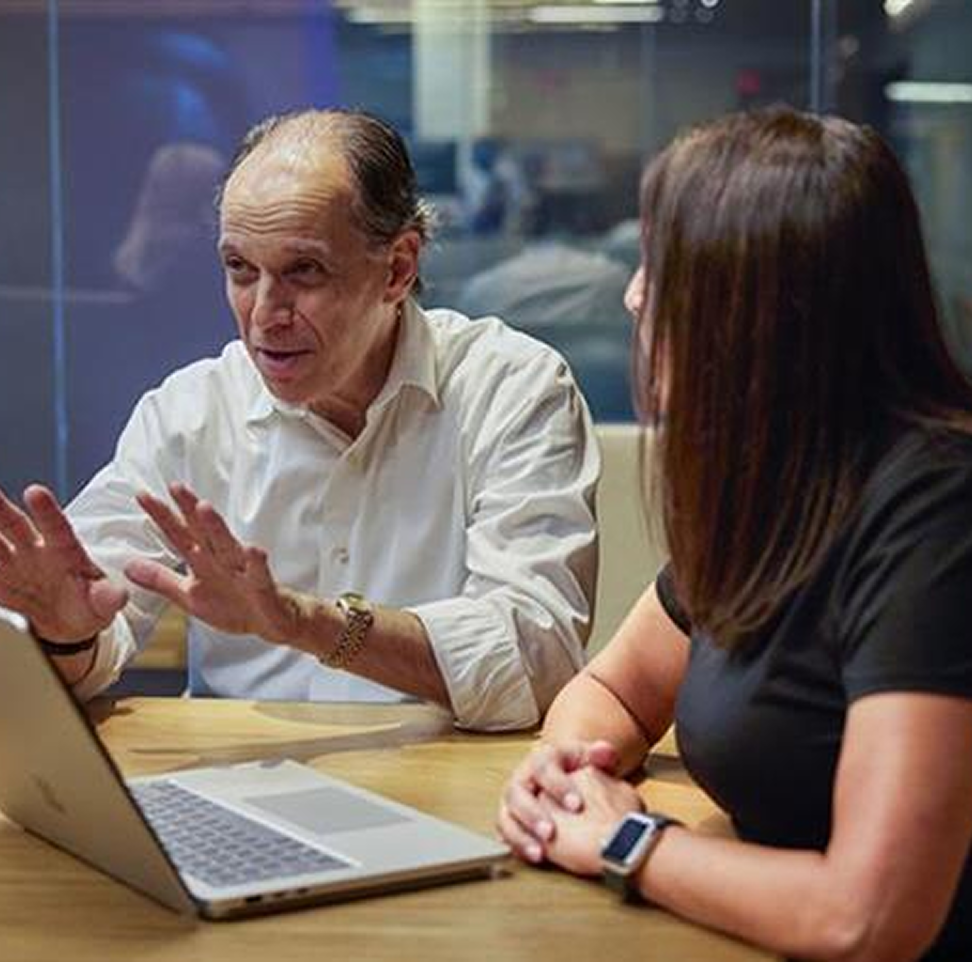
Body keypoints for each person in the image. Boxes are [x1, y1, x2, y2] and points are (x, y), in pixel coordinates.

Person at [497, 106, 972, 960]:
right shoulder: (777, 479)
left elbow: (867, 919)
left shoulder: (937, 512)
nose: (632, 293)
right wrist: (567, 775)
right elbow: (616, 691)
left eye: (659, 267)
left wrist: (631, 845)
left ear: (751, 307)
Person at [0, 108, 598, 732]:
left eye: (303, 272)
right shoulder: (191, 410)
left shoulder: (510, 387)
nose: (263, 314)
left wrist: (304, 624)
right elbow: (94, 627)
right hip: (233, 777)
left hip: (445, 777)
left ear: (397, 268)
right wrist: (66, 637)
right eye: (240, 270)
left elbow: (537, 656)